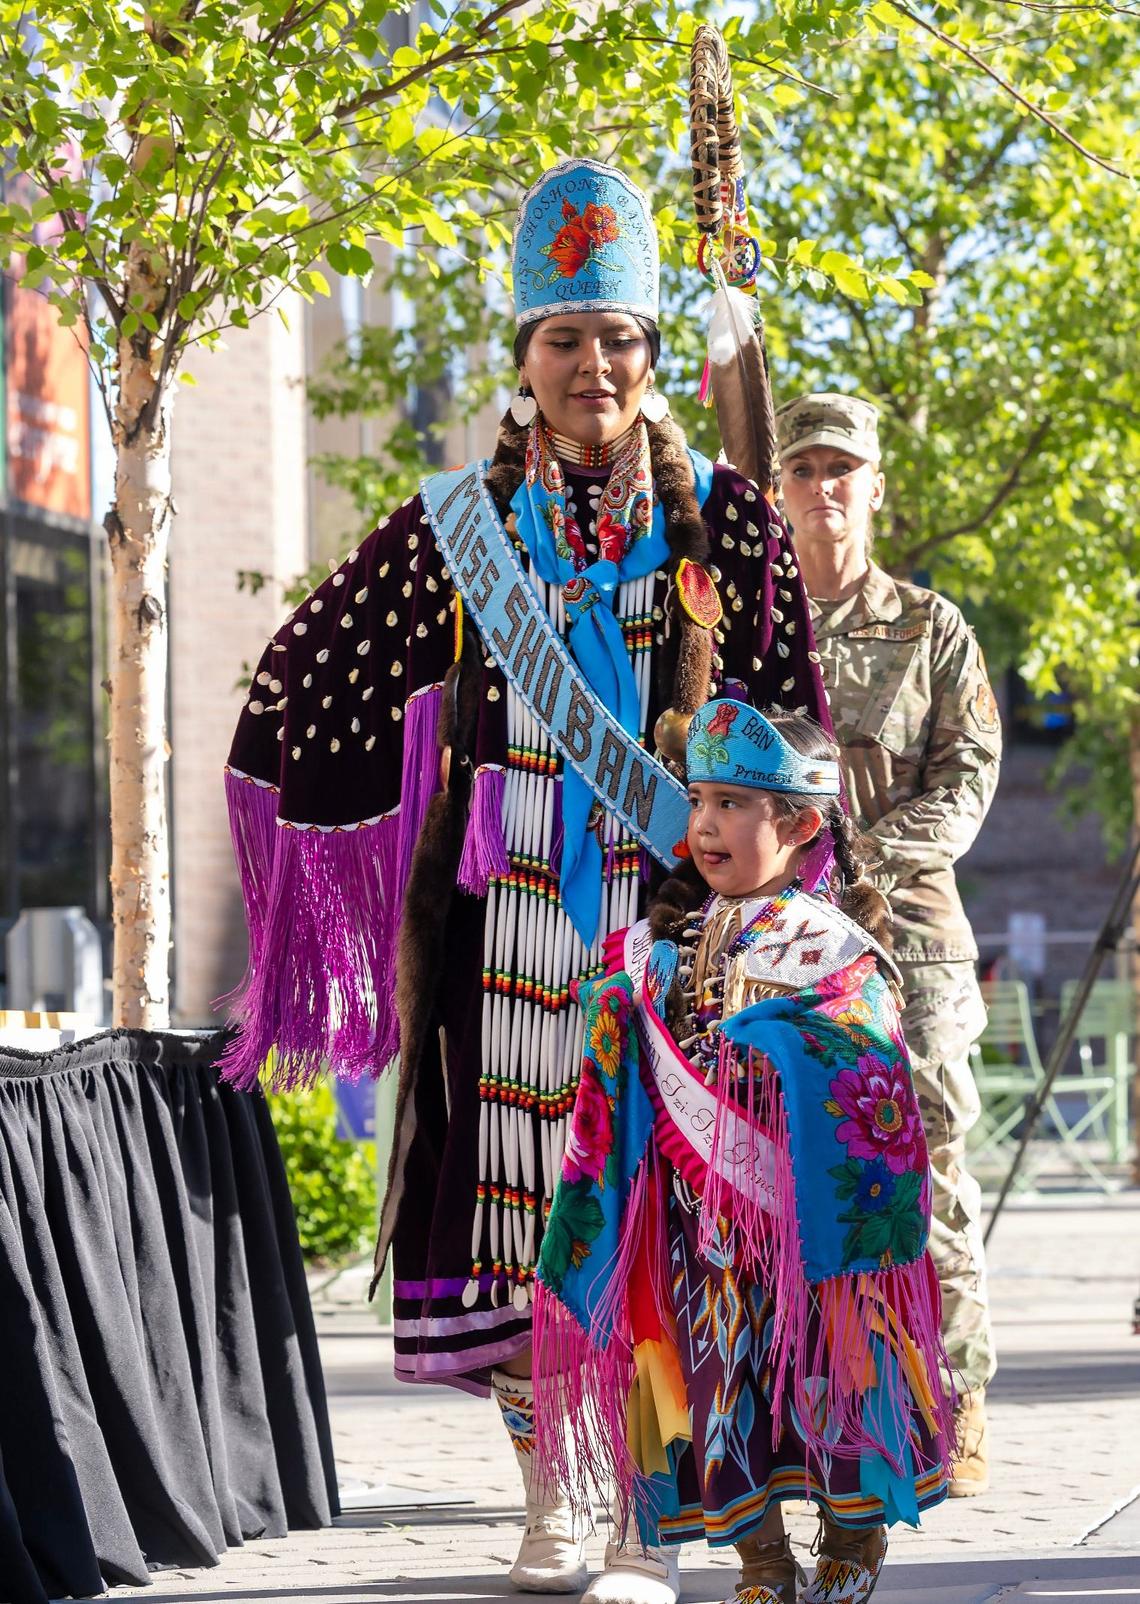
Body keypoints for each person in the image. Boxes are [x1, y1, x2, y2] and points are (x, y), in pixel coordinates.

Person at [221, 158, 829, 1602]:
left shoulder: (731, 523)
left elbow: (798, 723)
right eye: (564, 339)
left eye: (616, 339)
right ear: (524, 358)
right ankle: (556, 1492)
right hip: (512, 932)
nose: (592, 366)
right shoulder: (455, 529)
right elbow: (319, 663)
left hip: (678, 931)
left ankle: (642, 1509)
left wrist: (781, 898)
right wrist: (315, 820)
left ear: (650, 357)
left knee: (656, 1214)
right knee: (524, 1208)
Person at [533, 701, 952, 1604]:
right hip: (699, 1226)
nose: (708, 824)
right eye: (700, 800)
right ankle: (761, 1558)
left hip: (804, 1229)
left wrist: (784, 1045)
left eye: (733, 803)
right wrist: (622, 1011)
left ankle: (853, 1533)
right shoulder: (663, 945)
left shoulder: (830, 948)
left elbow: (869, 1063)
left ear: (799, 825)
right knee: (715, 1383)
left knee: (830, 1373)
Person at [774, 392, 1002, 1496]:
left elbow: (967, 777)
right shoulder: (750, 628)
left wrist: (862, 855)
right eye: (805, 467)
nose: (825, 486)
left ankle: (956, 1403)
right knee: (795, 1173)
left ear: (875, 487)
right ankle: (822, 1404)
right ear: (778, 489)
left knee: (934, 1167)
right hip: (783, 940)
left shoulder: (930, 625)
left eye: (843, 468)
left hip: (911, 940)